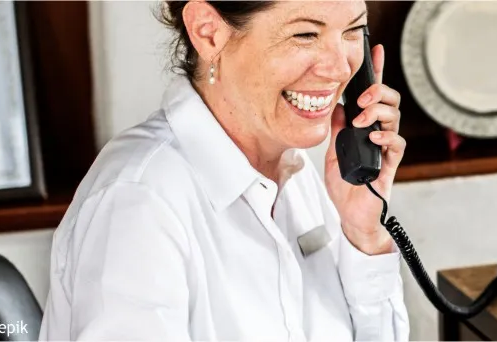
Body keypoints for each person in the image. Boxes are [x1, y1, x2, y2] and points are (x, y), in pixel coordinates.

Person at [38, 1, 409, 340]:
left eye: (351, 32)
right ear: (207, 31)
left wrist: (364, 236)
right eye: (305, 34)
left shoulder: (301, 174)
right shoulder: (138, 203)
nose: (342, 67)